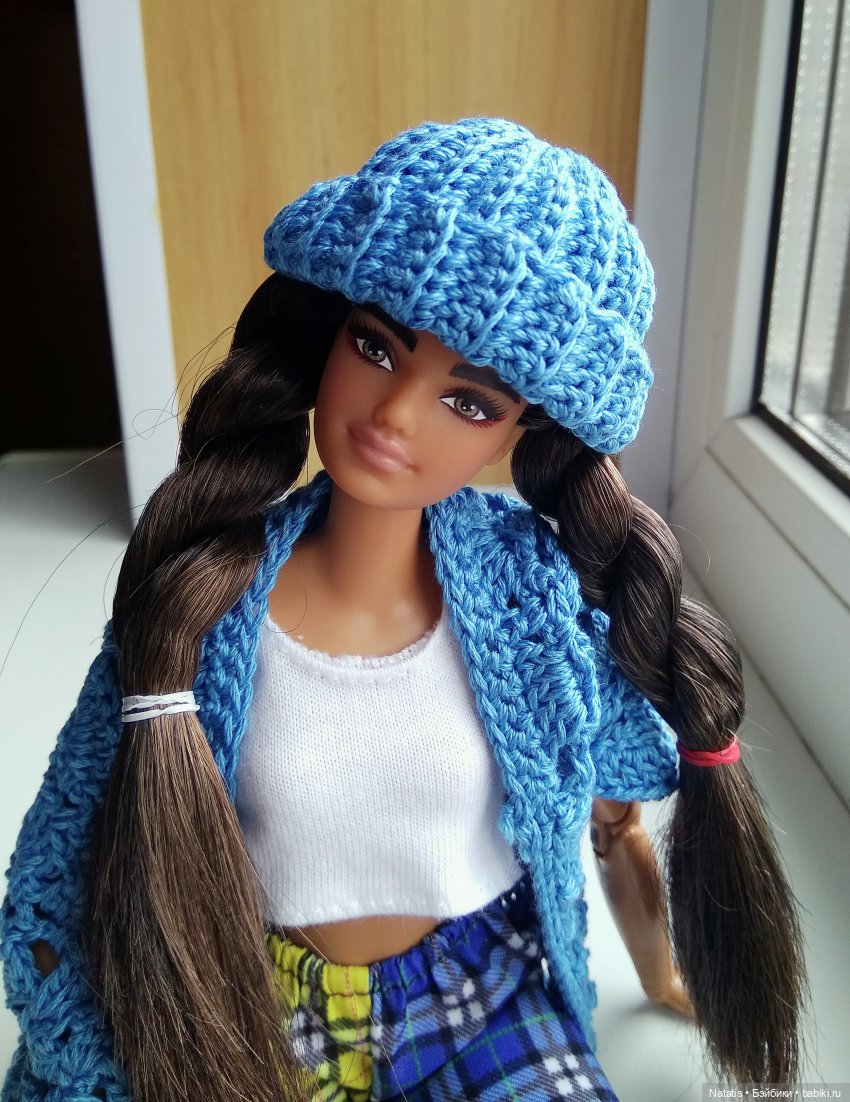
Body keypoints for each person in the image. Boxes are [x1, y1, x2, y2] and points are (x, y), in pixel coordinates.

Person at [1, 118, 804, 1102]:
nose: (394, 415)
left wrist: (663, 970)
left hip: (482, 997)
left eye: (470, 401)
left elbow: (614, 822)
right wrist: (90, 1059)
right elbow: (60, 867)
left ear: (524, 431)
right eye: (377, 346)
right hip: (244, 1000)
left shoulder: (532, 602)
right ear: (327, 326)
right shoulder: (200, 600)